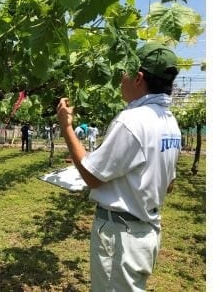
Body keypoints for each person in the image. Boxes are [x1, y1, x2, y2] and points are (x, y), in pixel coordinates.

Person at [56, 42, 182, 291]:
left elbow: (92, 176)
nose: (120, 78)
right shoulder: (169, 123)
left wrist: (66, 127)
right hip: (145, 232)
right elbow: (168, 184)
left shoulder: (132, 121)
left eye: (124, 72)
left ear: (138, 78)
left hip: (121, 237)